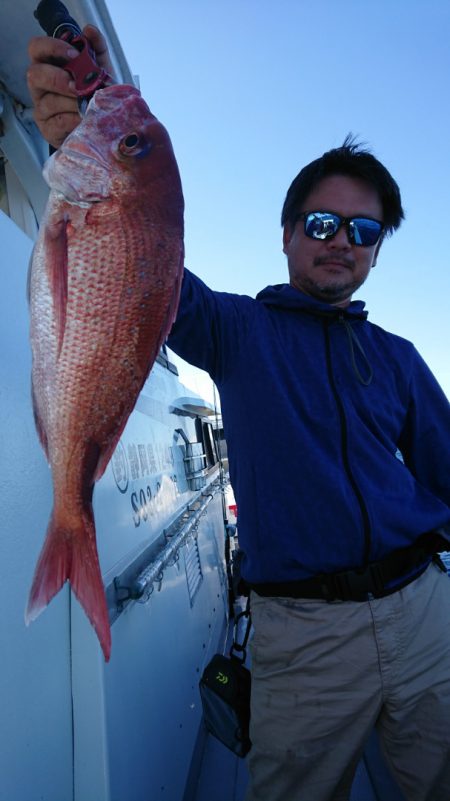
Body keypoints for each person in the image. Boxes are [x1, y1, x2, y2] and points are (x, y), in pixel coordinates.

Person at [27, 28, 450, 801]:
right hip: (305, 636)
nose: (341, 244)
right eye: (322, 223)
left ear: (378, 250)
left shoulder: (401, 357)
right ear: (287, 235)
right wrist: (81, 129)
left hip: (426, 614)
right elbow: (142, 264)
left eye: (365, 231)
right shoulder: (236, 328)